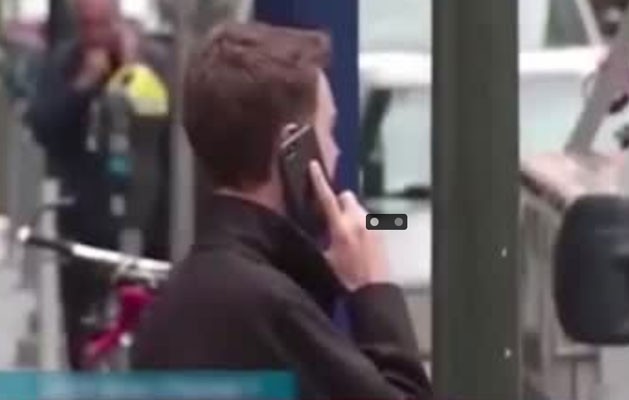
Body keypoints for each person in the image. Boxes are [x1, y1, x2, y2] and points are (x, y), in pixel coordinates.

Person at [131, 22, 432, 399]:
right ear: (295, 148)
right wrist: (374, 290)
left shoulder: (175, 302)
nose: (337, 152)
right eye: (329, 131)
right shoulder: (269, 309)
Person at [25, 0, 169, 369]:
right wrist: (84, 85)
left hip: (145, 220)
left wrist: (133, 70)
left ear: (117, 19)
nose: (95, 36)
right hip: (84, 215)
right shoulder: (64, 62)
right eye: (87, 26)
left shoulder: (152, 61)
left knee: (147, 326)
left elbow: (169, 129)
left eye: (102, 24)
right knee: (82, 327)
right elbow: (42, 125)